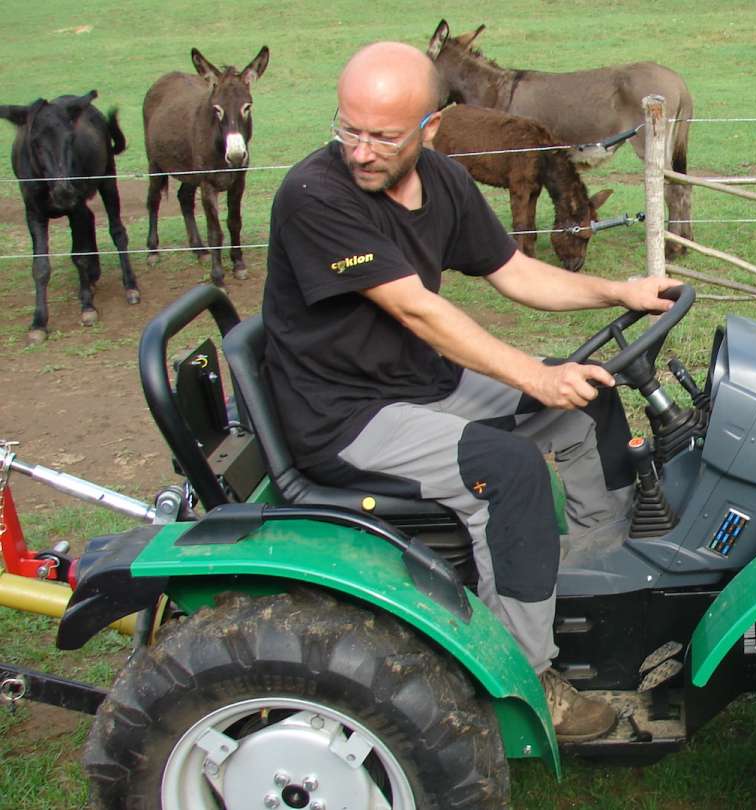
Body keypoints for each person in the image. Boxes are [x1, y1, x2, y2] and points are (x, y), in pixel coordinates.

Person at [261, 41, 678, 743]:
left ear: (430, 129)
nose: (359, 151)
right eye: (348, 129)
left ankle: (590, 581)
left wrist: (620, 290)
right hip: (346, 418)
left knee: (590, 401)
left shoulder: (442, 181)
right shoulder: (315, 197)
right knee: (509, 472)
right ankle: (524, 678)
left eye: (382, 137)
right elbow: (419, 311)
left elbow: (513, 271)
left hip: (417, 382)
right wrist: (532, 375)